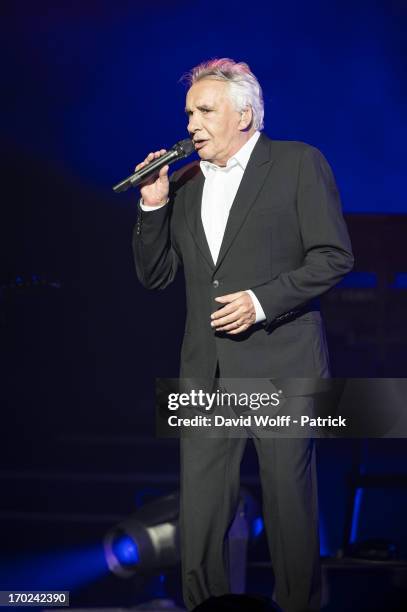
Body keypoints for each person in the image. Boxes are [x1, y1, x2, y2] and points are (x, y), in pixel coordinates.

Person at [132, 58, 354, 612]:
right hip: (204, 371)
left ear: (246, 114)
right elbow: (154, 276)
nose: (191, 125)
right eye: (188, 113)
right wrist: (152, 205)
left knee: (287, 506)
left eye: (205, 111)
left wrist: (261, 301)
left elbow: (334, 257)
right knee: (203, 512)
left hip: (282, 363)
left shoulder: (298, 163)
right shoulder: (181, 182)